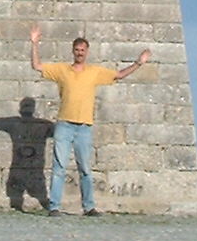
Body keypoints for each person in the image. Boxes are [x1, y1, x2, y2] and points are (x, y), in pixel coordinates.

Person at [29, 24, 151, 216]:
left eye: (82, 50)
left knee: (85, 168)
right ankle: (54, 207)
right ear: (73, 51)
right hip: (64, 125)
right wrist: (34, 43)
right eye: (77, 50)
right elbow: (37, 66)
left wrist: (138, 63)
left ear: (87, 52)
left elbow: (118, 75)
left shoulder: (94, 72)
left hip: (84, 127)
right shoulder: (61, 70)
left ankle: (89, 207)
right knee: (59, 167)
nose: (79, 53)